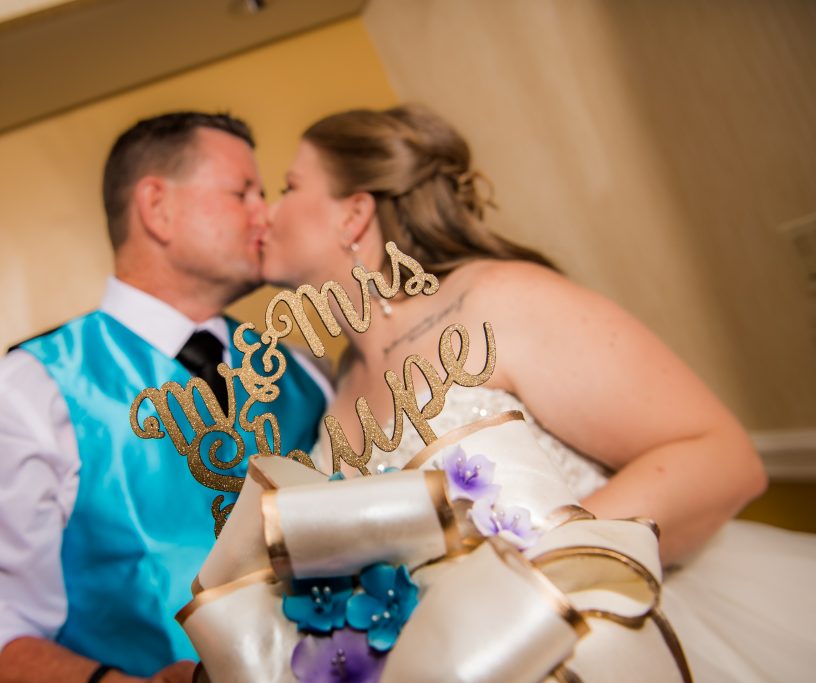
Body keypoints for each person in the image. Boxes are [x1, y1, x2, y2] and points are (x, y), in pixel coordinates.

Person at [261, 104, 816, 681]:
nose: (269, 212)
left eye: (288, 187)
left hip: (611, 642)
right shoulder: (336, 386)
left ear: (353, 215)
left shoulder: (496, 301)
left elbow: (721, 457)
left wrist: (514, 585)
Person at [0, 112, 331, 683]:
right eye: (244, 193)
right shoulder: (24, 398)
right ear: (157, 207)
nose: (268, 214)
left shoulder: (308, 374)